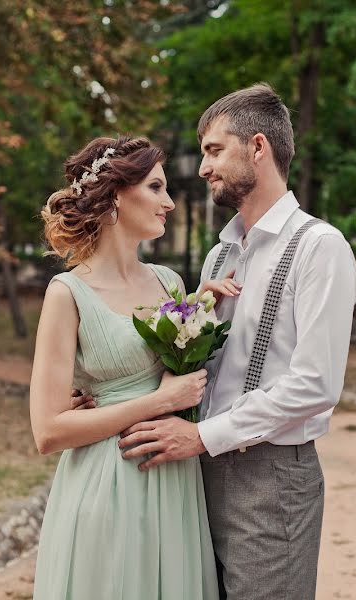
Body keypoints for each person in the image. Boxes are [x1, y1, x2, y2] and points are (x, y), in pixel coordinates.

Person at [117, 84, 356, 599]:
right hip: (198, 477)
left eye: (213, 150)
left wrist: (203, 437)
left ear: (257, 148)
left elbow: (316, 384)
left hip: (272, 481)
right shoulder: (218, 258)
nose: (203, 167)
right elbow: (197, 371)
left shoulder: (319, 247)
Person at [29, 135, 218, 599]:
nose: (169, 203)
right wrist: (158, 401)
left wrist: (206, 306)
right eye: (155, 187)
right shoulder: (66, 294)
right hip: (107, 483)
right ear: (116, 195)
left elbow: (186, 369)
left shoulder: (170, 283)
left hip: (175, 483)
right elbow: (48, 431)